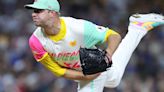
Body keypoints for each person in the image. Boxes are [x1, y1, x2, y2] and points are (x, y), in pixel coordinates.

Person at [25, 0, 164, 92]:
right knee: (114, 78)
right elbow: (58, 71)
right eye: (33, 11)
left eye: (38, 11)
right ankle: (137, 28)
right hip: (84, 73)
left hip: (93, 67)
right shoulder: (35, 41)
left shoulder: (78, 28)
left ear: (52, 13)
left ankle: (136, 28)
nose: (33, 14)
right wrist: (84, 77)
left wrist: (108, 54)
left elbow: (114, 36)